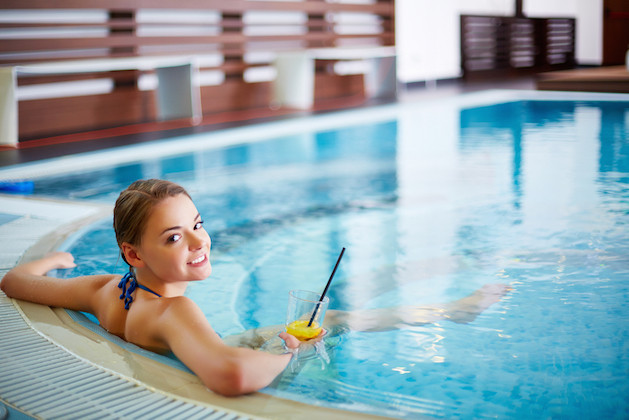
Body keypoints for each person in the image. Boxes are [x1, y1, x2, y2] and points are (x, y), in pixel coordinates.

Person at [0, 179, 510, 396]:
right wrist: (286, 351)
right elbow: (231, 376)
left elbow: (12, 282)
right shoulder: (172, 313)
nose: (201, 242)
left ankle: (447, 306)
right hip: (228, 355)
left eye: (197, 223)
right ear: (135, 254)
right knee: (334, 319)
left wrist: (44, 263)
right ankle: (452, 311)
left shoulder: (108, 289)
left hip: (190, 347)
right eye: (175, 237)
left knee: (335, 312)